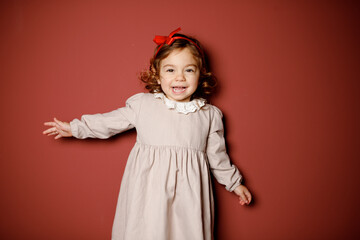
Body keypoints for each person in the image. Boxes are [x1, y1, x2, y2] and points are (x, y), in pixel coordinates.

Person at [43, 27, 252, 240]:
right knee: (148, 231)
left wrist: (235, 183)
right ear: (157, 75)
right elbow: (109, 122)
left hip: (189, 196)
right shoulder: (144, 105)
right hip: (150, 192)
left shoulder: (208, 115)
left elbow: (218, 157)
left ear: (200, 74)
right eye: (170, 70)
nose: (179, 77)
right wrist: (75, 128)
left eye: (189, 70)